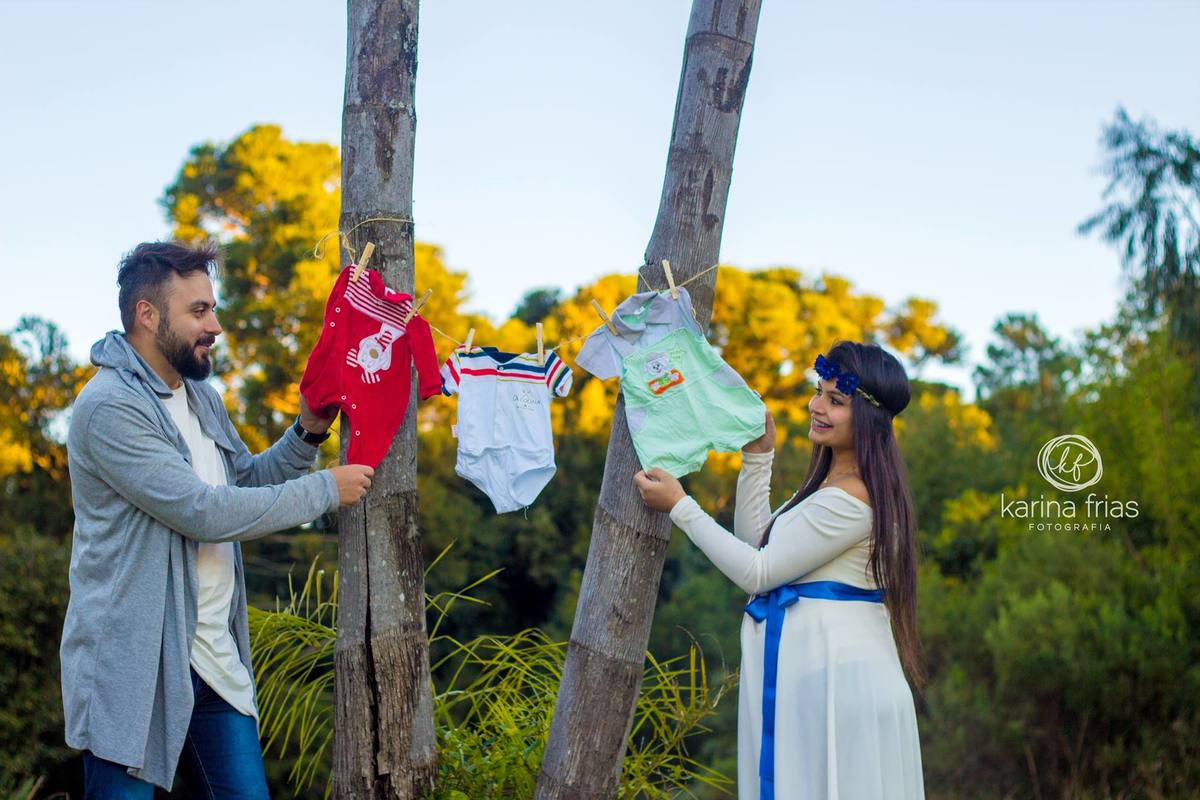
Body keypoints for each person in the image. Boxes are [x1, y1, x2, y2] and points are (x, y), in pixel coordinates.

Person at [60, 241, 375, 798]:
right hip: (133, 671)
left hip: (213, 659)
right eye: (199, 311)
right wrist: (326, 489)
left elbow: (245, 484)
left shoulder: (200, 399)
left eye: (213, 308)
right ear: (147, 315)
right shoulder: (110, 407)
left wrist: (307, 432)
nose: (217, 326)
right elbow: (202, 511)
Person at [634, 340, 926, 799]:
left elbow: (757, 572)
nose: (816, 406)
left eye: (836, 400)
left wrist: (681, 507)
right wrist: (757, 458)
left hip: (839, 682)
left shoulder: (854, 498)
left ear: (867, 419)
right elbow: (759, 544)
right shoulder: (830, 487)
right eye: (818, 392)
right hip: (814, 679)